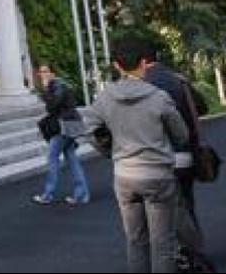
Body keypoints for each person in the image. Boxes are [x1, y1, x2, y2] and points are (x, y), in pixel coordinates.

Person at [81, 37, 189, 274]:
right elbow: (181, 135)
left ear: (117, 66)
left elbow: (89, 130)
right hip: (158, 175)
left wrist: (108, 151)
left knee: (135, 241)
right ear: (143, 63)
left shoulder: (104, 98)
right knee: (163, 244)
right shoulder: (159, 97)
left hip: (125, 175)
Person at [141, 43, 212, 272]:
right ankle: (195, 255)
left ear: (142, 61)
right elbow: (202, 107)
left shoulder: (141, 85)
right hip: (187, 154)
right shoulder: (178, 79)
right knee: (186, 204)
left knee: (160, 211)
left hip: (157, 156)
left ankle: (181, 256)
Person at [33, 63, 90, 206]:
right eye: (41, 72)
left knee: (52, 158)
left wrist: (45, 89)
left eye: (45, 71)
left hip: (64, 126)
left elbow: (52, 106)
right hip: (70, 125)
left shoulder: (58, 85)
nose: (42, 74)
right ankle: (81, 194)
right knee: (71, 158)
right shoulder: (59, 84)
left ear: (52, 73)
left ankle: (48, 194)